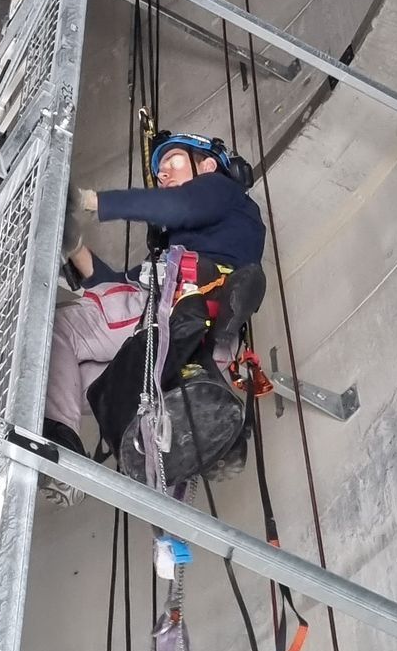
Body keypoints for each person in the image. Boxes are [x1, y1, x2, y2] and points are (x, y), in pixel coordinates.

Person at [42, 131, 265, 453]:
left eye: (173, 161)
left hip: (175, 310)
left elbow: (181, 205)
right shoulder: (187, 245)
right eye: (160, 172)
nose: (163, 173)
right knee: (74, 380)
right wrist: (75, 246)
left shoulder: (222, 190)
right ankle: (68, 451)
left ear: (207, 166)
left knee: (56, 328)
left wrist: (89, 200)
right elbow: (119, 289)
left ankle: (57, 444)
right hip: (193, 334)